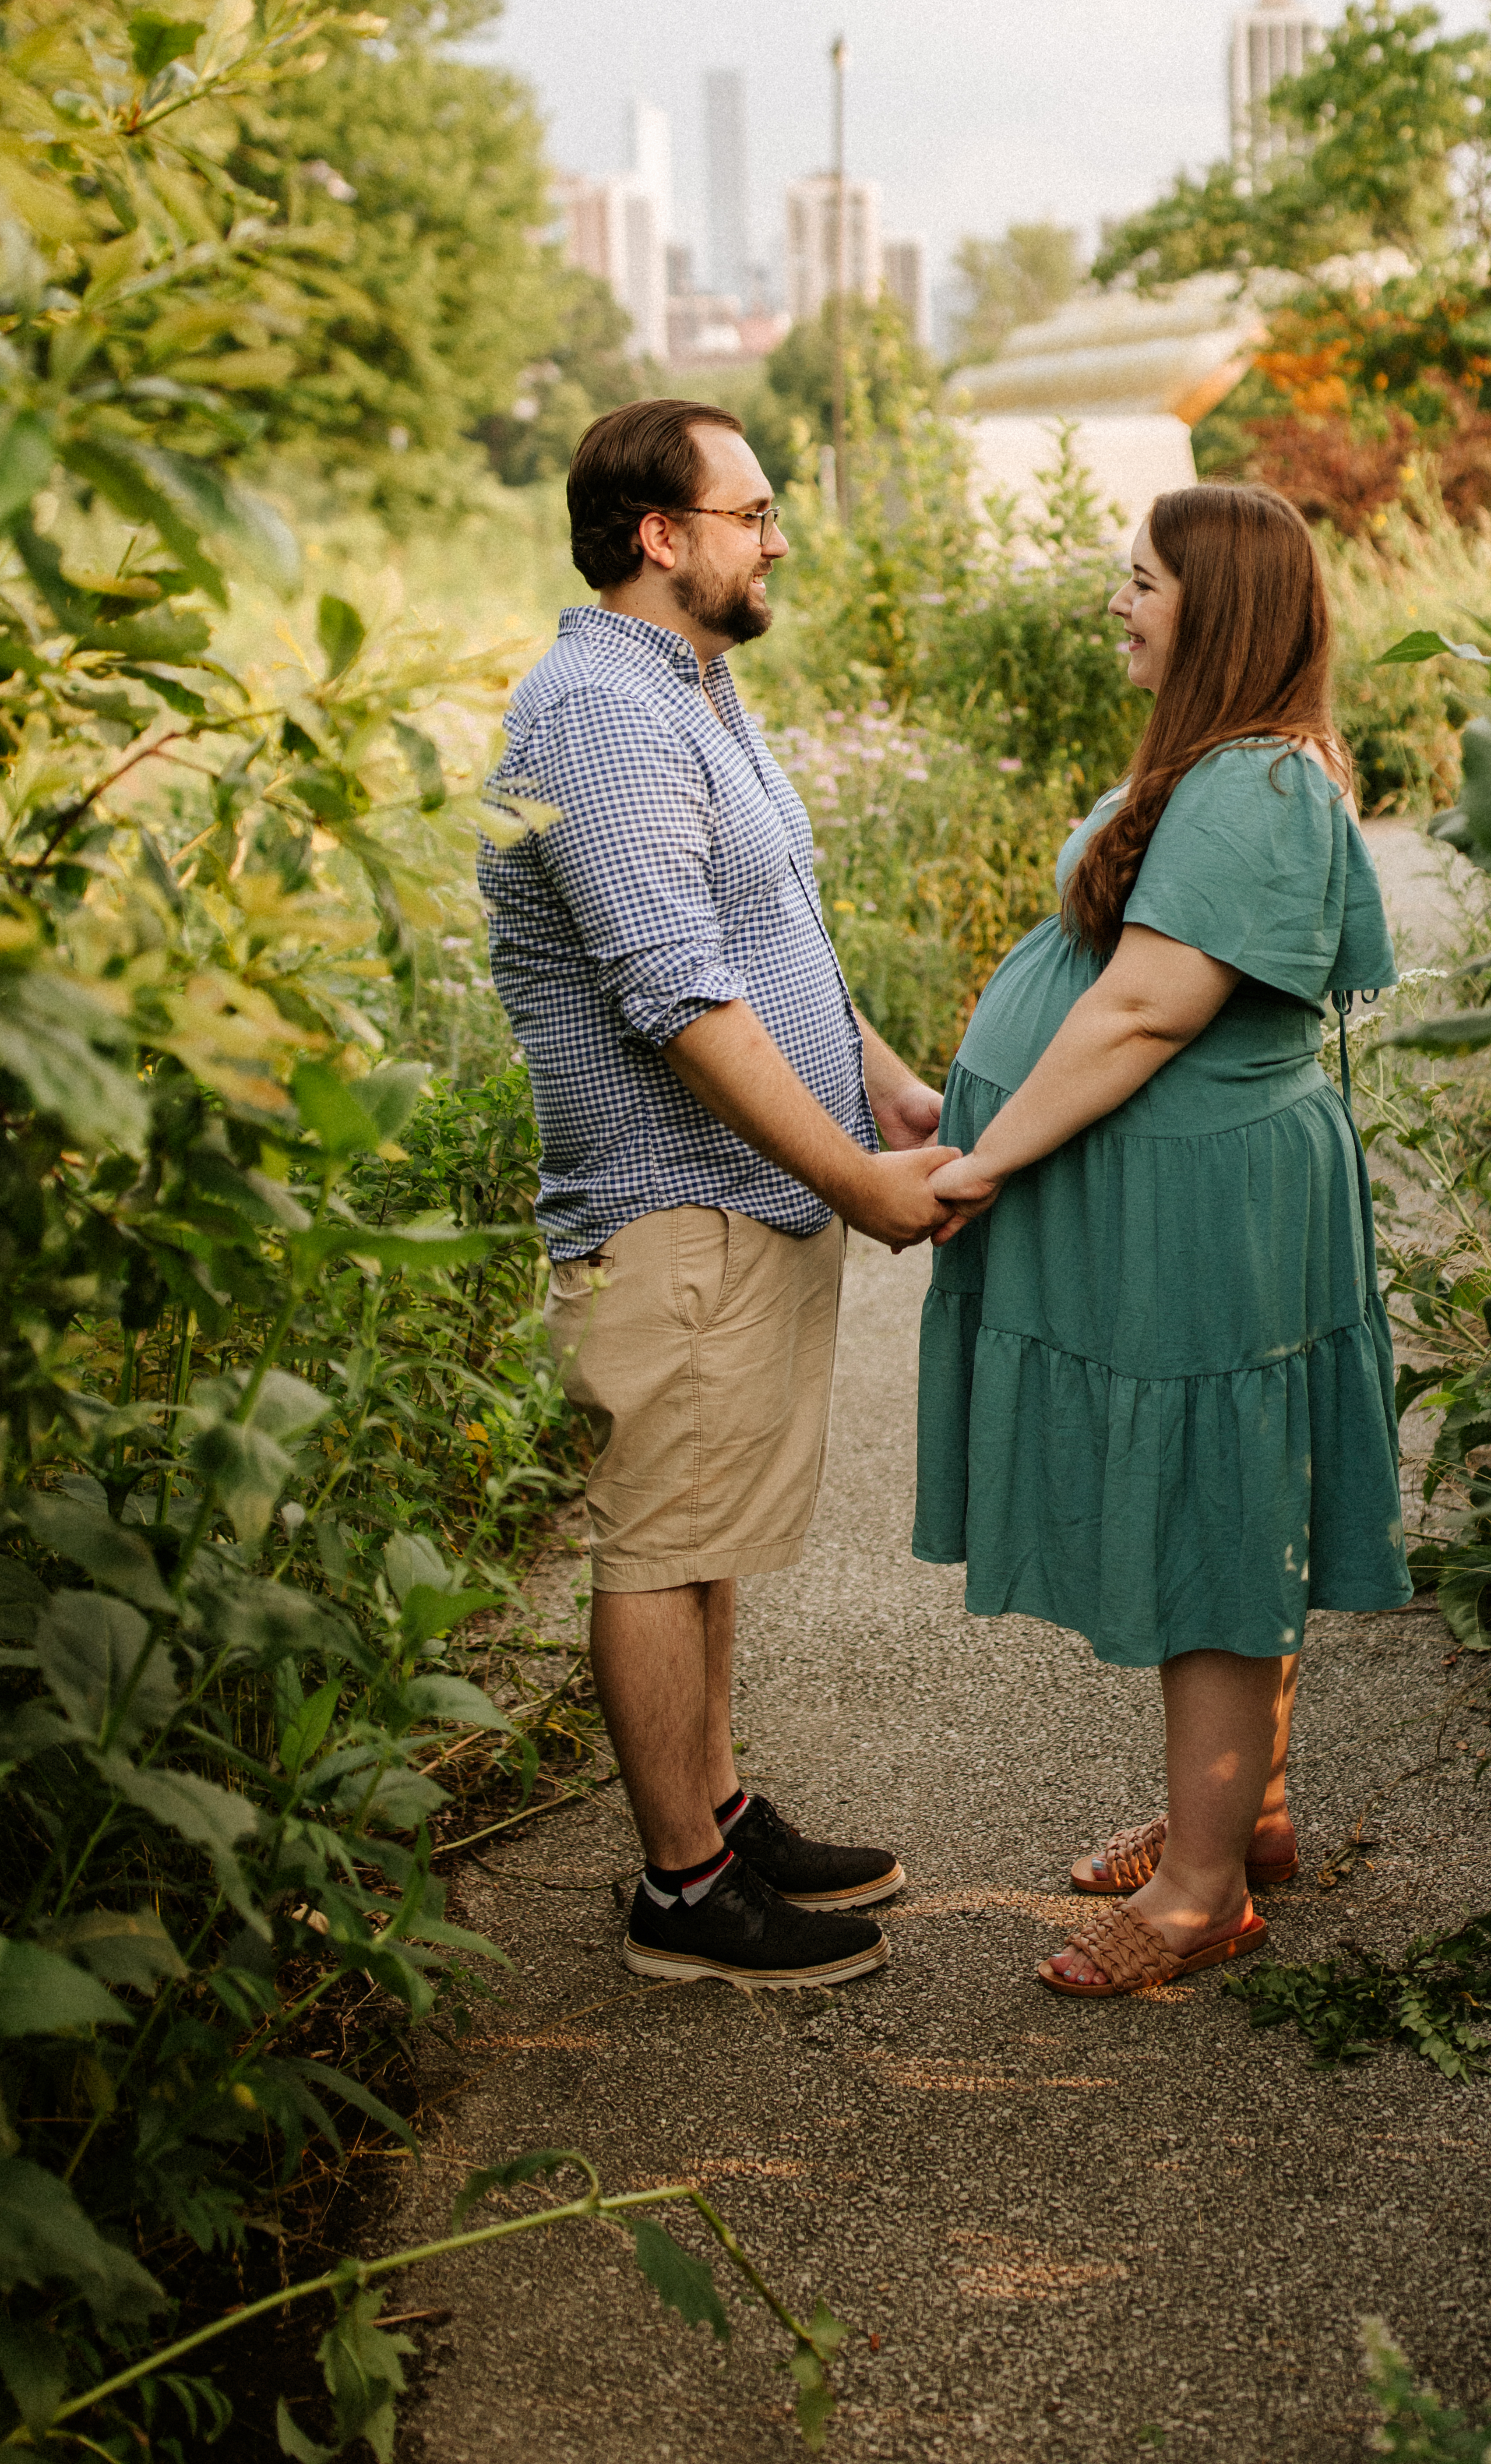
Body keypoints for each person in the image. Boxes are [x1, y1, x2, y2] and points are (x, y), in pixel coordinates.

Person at [479, 397, 957, 1991]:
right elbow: (675, 992)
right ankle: (682, 1893)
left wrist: (876, 1076)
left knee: (708, 1535)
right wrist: (862, 1184)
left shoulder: (693, 686)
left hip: (750, 1194)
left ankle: (717, 1807)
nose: (778, 537)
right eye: (752, 513)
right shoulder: (600, 717)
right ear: (659, 537)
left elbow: (769, 934)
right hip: (672, 1196)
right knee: (660, 1541)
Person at [914, 482, 1414, 1998]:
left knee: (1215, 1513)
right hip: (1184, 1190)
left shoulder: (1259, 784)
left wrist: (982, 1160)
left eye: (1140, 582)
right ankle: (1241, 1811)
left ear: (1222, 610)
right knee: (1222, 1492)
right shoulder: (1231, 767)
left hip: (1206, 1205)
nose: (1116, 602)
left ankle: (1204, 1896)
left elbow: (1143, 1007)